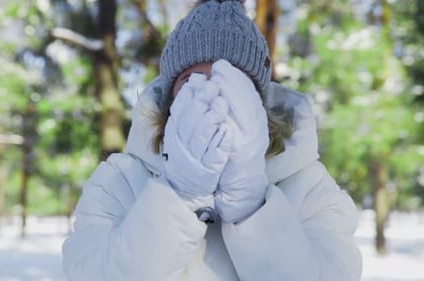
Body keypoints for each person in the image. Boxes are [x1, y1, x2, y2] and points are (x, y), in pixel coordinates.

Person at [62, 0, 363, 280]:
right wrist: (178, 195)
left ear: (258, 102)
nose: (213, 94)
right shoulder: (119, 181)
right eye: (193, 79)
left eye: (232, 80)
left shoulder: (309, 186)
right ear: (170, 99)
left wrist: (252, 205)